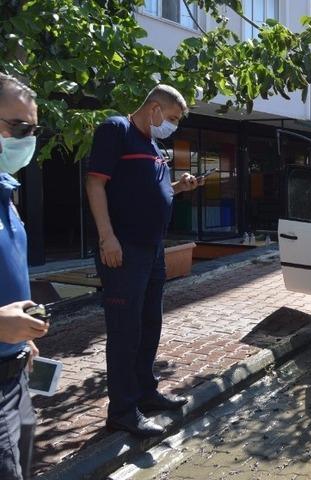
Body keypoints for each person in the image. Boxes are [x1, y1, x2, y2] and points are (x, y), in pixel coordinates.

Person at [85, 85, 203, 437]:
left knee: (149, 324)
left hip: (152, 250)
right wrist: (108, 237)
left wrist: (180, 187)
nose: (172, 127)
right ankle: (122, 410)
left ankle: (145, 394)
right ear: (154, 109)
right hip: (123, 249)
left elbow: (155, 189)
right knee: (125, 331)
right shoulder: (116, 129)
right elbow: (95, 184)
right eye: (171, 119)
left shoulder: (152, 145)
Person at [0, 73, 48, 480]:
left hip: (14, 370)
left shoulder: (5, 190)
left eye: (33, 129)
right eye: (20, 128)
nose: (28, 138)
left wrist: (24, 338)